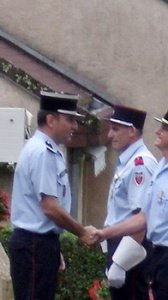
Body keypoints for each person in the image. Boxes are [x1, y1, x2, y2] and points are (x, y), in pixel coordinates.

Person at [96, 104, 168, 300]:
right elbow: (143, 217)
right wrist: (104, 234)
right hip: (159, 256)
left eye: (164, 129)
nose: (157, 131)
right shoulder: (162, 168)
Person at [8, 90, 97, 300]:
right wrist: (81, 231)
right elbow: (49, 207)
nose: (75, 126)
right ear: (50, 119)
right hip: (33, 244)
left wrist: (53, 245)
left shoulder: (48, 150)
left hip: (39, 243)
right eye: (70, 120)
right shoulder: (42, 152)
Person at [103, 104, 157, 300]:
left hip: (130, 249)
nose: (110, 135)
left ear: (132, 131)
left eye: (115, 129)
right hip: (119, 244)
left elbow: (140, 221)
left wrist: (120, 263)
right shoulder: (128, 161)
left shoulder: (140, 165)